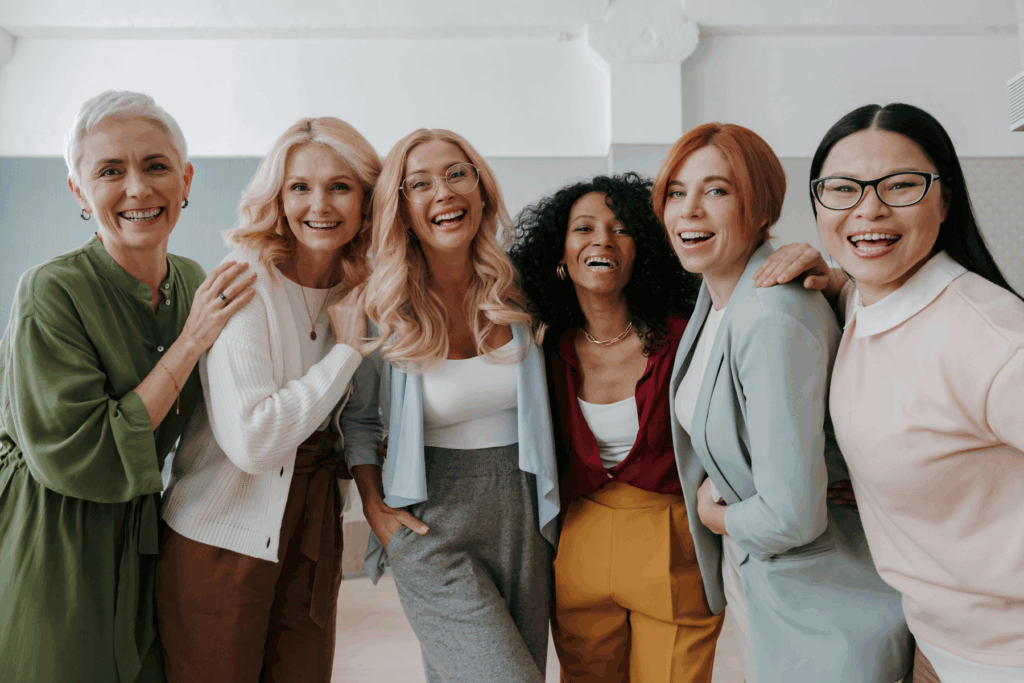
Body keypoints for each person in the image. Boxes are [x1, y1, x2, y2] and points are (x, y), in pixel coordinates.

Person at [756, 102, 1024, 683]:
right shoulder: (860, 302)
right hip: (928, 641)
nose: (869, 208)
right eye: (843, 188)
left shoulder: (996, 341)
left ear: (945, 198)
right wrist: (830, 278)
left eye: (901, 185)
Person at [0, 90, 256, 683]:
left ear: (185, 180)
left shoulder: (194, 281)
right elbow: (81, 452)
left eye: (156, 166)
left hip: (146, 545)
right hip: (53, 541)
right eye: (110, 171)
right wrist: (191, 342)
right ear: (79, 192)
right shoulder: (50, 292)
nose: (138, 189)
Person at [652, 122, 911, 683]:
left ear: (760, 203)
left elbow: (792, 517)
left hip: (825, 605)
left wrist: (712, 514)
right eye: (677, 192)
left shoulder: (770, 317)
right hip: (773, 591)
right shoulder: (717, 296)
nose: (689, 210)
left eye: (716, 191)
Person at [156, 117, 384, 683]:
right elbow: (255, 441)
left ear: (365, 199)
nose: (320, 204)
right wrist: (345, 353)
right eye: (299, 187)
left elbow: (362, 416)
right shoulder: (245, 285)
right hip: (218, 539)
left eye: (340, 186)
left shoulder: (365, 292)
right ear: (278, 200)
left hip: (312, 532)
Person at [354, 128, 559, 683]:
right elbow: (358, 420)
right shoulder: (385, 306)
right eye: (419, 183)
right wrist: (374, 506)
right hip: (430, 522)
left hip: (523, 508)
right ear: (402, 209)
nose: (442, 192)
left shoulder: (525, 288)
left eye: (455, 174)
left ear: (481, 190)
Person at [509, 173, 724, 682]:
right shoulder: (543, 351)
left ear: (642, 250)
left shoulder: (686, 336)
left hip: (673, 542)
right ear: (560, 255)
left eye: (620, 229)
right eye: (583, 228)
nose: (601, 239)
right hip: (580, 547)